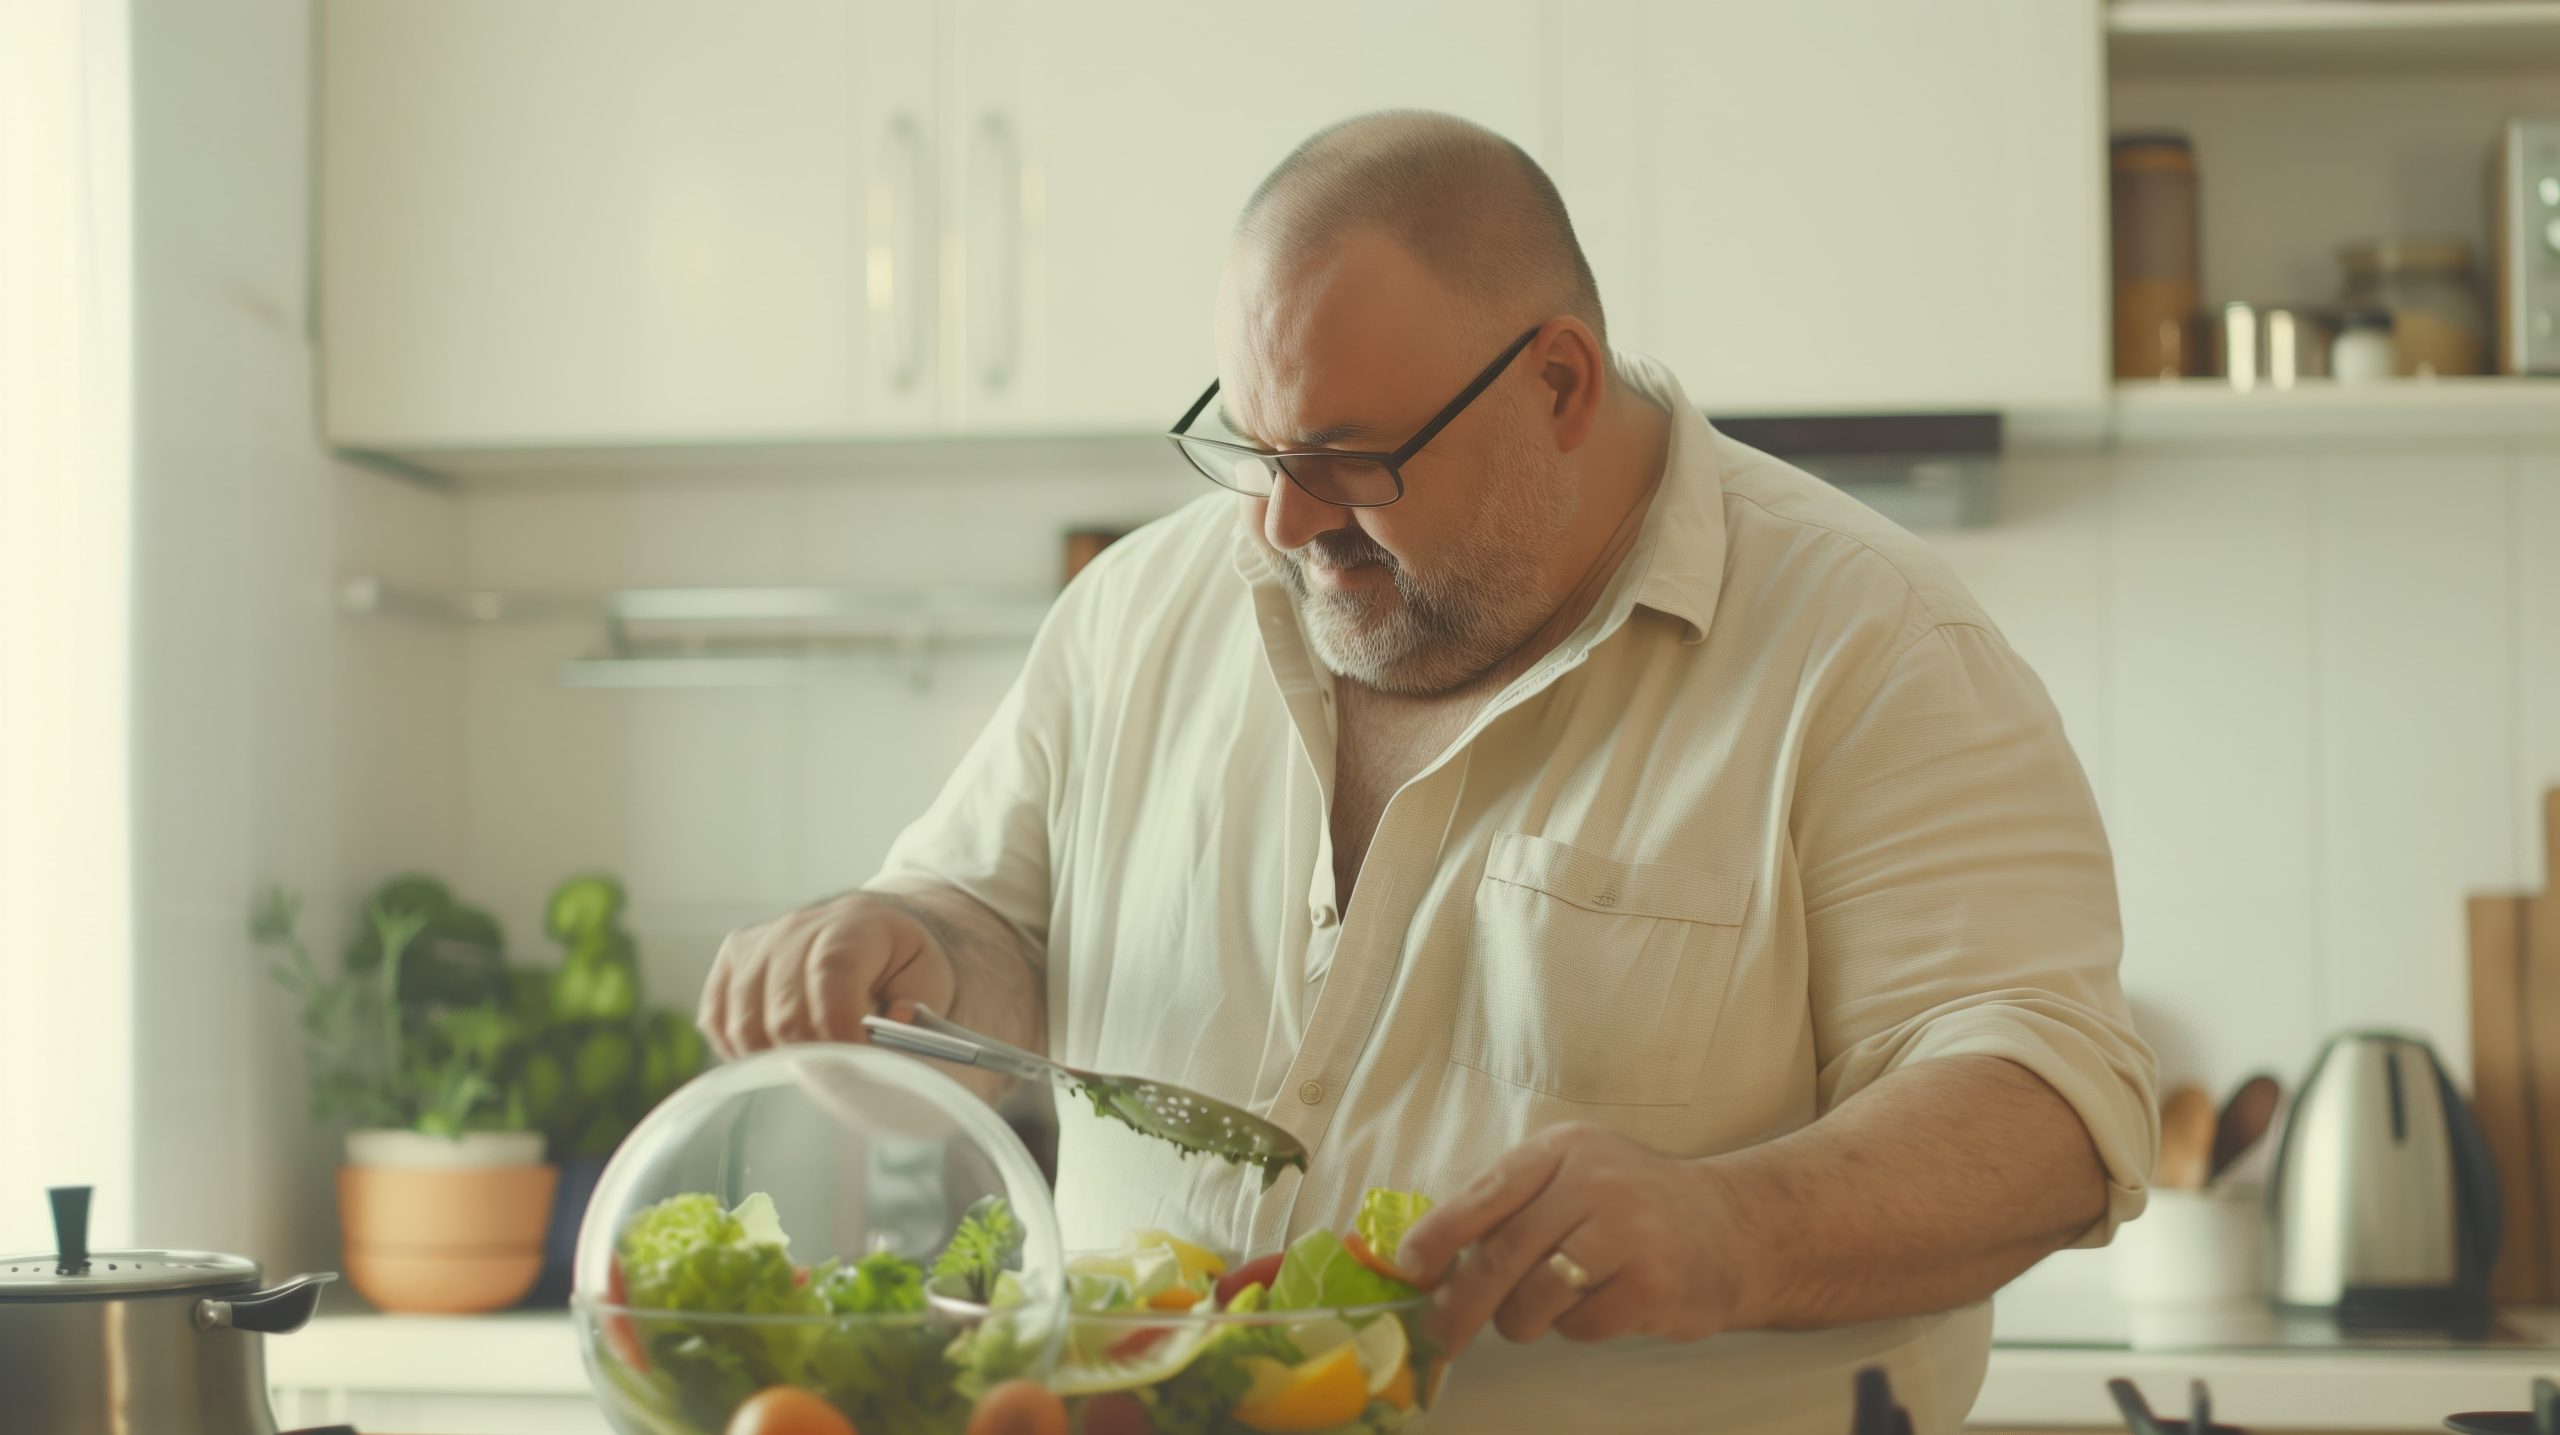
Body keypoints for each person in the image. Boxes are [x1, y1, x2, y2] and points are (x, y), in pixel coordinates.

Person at [698, 110, 2156, 1433]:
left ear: (1562, 384)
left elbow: (2045, 1111)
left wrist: (1735, 1226)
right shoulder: (1140, 611)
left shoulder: (1871, 645)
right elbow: (993, 928)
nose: (1281, 522)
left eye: (1348, 458)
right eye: (1254, 446)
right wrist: (912, 948)